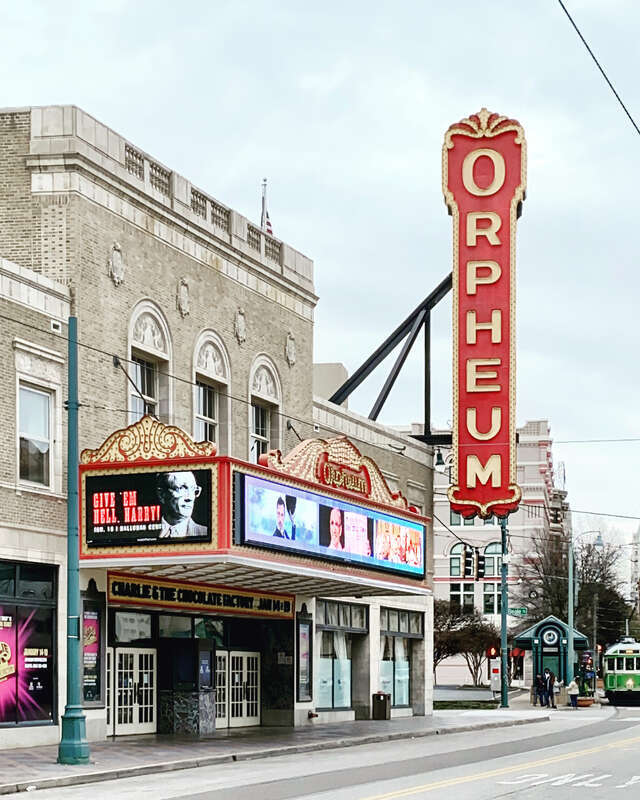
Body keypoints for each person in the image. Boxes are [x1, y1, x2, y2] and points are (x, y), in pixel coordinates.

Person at [156, 471, 207, 538]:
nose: (190, 498)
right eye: (182, 488)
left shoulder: (205, 532)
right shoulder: (144, 531)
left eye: (194, 490)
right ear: (161, 495)